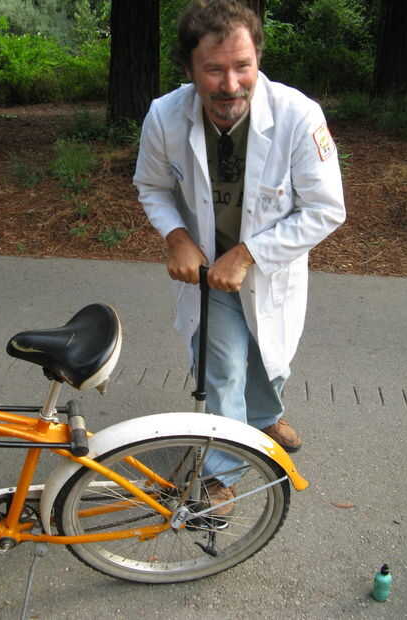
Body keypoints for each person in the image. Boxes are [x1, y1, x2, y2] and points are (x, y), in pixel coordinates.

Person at [134, 0, 345, 508]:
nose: (231, 84)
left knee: (270, 357)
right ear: (189, 69)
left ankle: (264, 417)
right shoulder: (165, 116)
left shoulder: (298, 116)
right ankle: (221, 472)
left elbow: (325, 208)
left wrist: (249, 253)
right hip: (207, 268)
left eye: (242, 66)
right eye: (214, 69)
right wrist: (176, 236)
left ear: (258, 60)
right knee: (224, 366)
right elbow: (152, 186)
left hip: (270, 268)